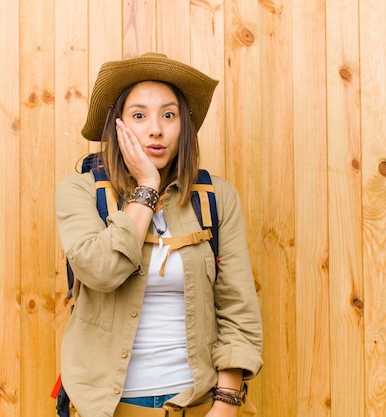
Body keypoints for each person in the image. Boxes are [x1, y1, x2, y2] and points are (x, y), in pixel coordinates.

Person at [55, 52, 263, 417]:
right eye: (139, 116)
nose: (156, 129)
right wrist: (147, 187)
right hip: (106, 407)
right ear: (117, 126)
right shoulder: (81, 192)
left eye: (169, 115)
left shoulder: (217, 198)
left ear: (184, 125)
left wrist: (226, 402)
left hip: (196, 403)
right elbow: (100, 271)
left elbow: (237, 305)